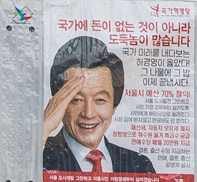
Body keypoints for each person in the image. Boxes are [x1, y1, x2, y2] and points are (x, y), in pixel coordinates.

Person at [42, 37, 156, 174]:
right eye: (76, 100)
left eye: (100, 100)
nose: (88, 114)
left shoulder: (139, 165)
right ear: (58, 103)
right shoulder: (38, 155)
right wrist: (43, 130)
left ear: (114, 105)